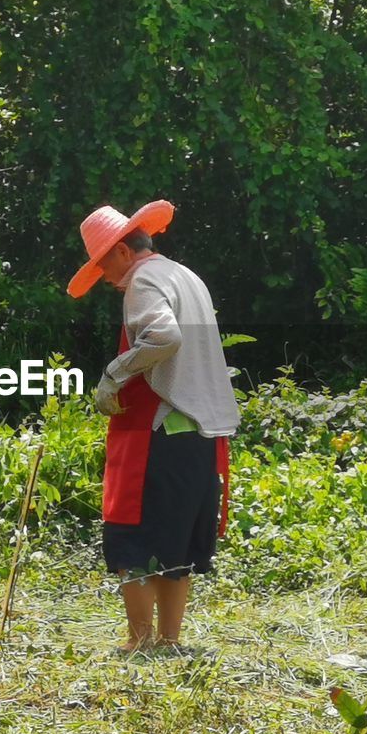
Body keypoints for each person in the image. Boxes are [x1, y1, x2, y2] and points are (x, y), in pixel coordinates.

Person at [67, 200, 239, 652]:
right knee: (177, 543)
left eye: (104, 263)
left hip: (159, 432)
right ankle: (169, 640)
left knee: (135, 538)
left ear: (123, 251)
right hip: (199, 432)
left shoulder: (143, 281)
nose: (105, 277)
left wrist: (113, 373)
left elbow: (163, 336)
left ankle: (139, 640)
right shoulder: (183, 275)